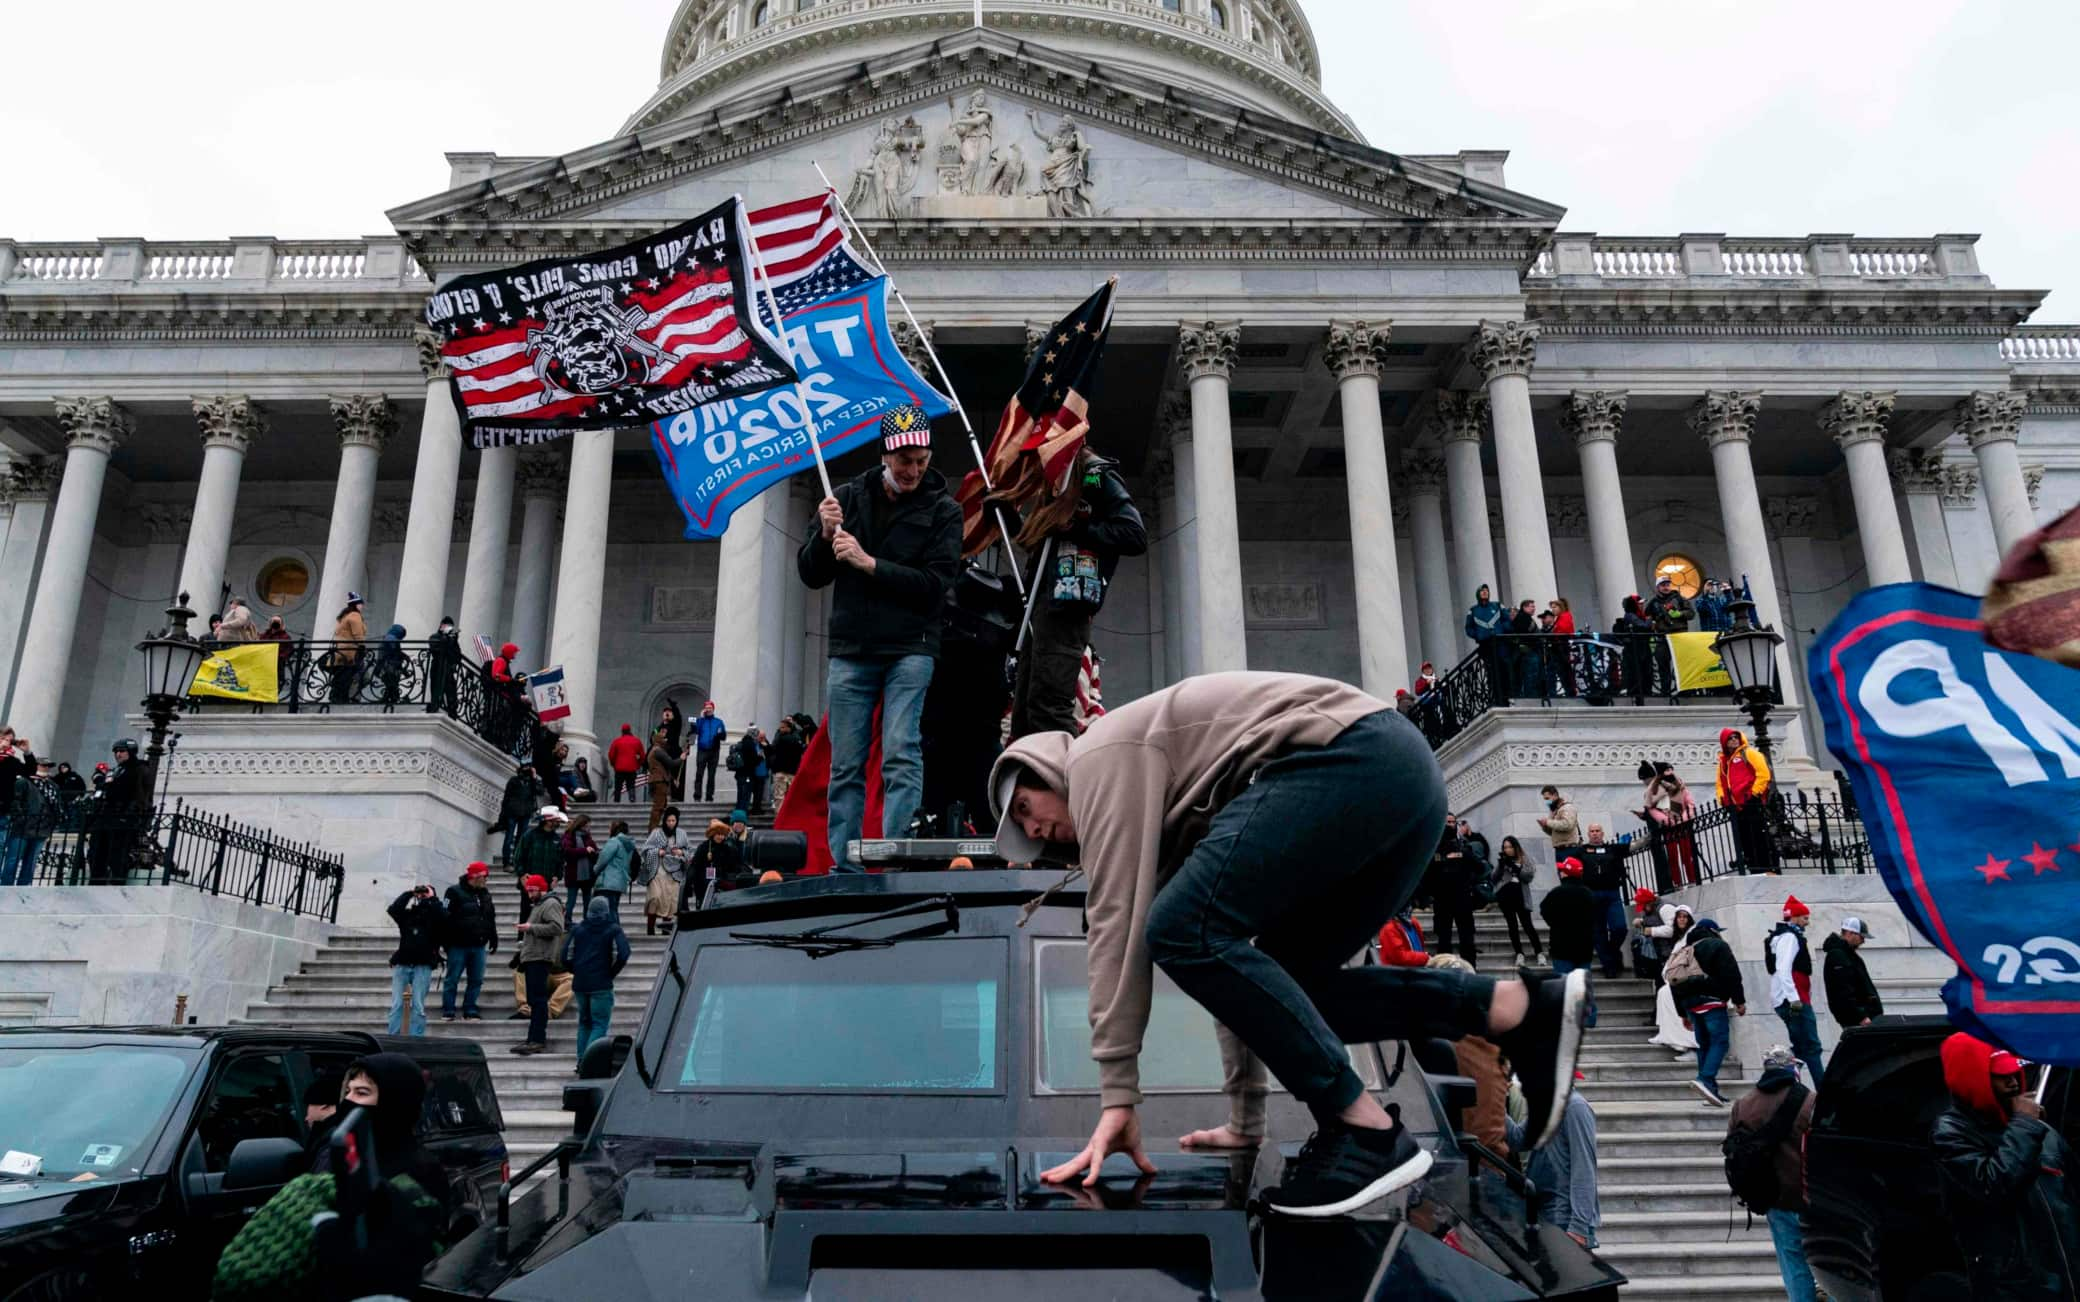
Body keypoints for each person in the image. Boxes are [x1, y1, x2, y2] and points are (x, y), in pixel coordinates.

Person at [990, 672, 1588, 1216]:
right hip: (1400, 781)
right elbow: (1240, 979)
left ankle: (1365, 1130)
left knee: (1177, 929)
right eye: (1026, 834)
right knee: (1288, 982)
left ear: (1048, 770)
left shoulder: (1099, 758)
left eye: (1026, 808)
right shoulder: (1167, 812)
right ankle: (1514, 1008)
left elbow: (1116, 930)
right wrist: (1246, 1121)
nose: (1035, 830)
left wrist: (1117, 1097)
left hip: (1352, 759)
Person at [799, 422, 963, 875]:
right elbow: (811, 574)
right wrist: (823, 535)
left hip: (912, 646)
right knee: (846, 764)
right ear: (886, 456)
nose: (913, 470)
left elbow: (936, 585)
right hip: (853, 648)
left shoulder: (944, 510)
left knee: (900, 749)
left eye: (921, 460)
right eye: (905, 460)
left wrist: (870, 565)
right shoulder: (847, 499)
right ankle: (846, 865)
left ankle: (894, 859)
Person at [213, 1052, 452, 1302]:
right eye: (347, 1091)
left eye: (361, 1093)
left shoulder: (421, 1172)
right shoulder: (336, 1151)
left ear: (395, 1101)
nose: (348, 1100)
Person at [1009, 446, 1148, 738]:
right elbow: (1038, 541)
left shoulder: (1094, 475)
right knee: (1025, 710)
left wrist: (1077, 529)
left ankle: (1062, 781)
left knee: (1049, 708)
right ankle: (1029, 779)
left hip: (1067, 607)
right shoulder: (1055, 483)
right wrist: (1008, 518)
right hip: (1041, 606)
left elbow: (1134, 534)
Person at [1932, 1031, 2080, 1300]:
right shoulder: (1951, 1133)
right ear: (1975, 1079)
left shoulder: (2038, 1131)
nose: (2014, 1084)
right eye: (2002, 1077)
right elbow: (1993, 1184)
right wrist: (2024, 1126)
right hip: (2016, 1286)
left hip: (2063, 1275)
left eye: (2015, 1074)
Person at [1726, 1044, 1817, 1300]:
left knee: (1792, 1261)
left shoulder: (1744, 1105)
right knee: (1825, 1261)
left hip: (1774, 1198)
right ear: (1792, 1068)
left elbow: (1731, 1148)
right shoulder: (1810, 1101)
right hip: (1812, 1196)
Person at [1667, 917, 1745, 1105]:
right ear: (1713, 930)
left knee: (1704, 1045)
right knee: (1720, 1042)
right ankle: (1705, 1079)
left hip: (1691, 1005)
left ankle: (1709, 1091)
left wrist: (1682, 1013)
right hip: (1712, 1001)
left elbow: (1674, 983)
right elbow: (1731, 974)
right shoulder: (1718, 945)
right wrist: (1739, 1001)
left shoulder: (1684, 950)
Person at [1512, 1088, 1600, 1249]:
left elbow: (1584, 1169)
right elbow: (1517, 1139)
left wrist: (1578, 1227)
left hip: (1564, 1219)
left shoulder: (1575, 1106)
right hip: (1543, 1212)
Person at [561, 895, 631, 1066]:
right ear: (606, 911)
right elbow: (623, 954)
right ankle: (589, 1062)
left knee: (584, 1023)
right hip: (601, 984)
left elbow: (564, 956)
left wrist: (576, 970)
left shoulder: (578, 929)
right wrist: (611, 973)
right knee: (599, 1024)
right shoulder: (613, 929)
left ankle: (580, 1060)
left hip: (581, 983)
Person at [1766, 895, 1825, 1081]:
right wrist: (1794, 999)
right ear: (1795, 917)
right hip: (1794, 1000)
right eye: (1805, 918)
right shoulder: (1790, 937)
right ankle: (1823, 1093)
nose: (1807, 922)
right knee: (1811, 1047)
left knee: (1801, 1048)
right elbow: (1784, 968)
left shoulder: (1783, 937)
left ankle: (1781, 1081)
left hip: (1790, 999)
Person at [1540, 857, 1599, 1026]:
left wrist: (1556, 924)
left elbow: (1544, 911)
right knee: (1584, 984)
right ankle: (1589, 1018)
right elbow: (1594, 917)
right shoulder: (1588, 893)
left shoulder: (1556, 893)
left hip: (1561, 945)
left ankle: (1566, 1019)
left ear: (1566, 873)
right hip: (1584, 947)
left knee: (1563, 984)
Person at [511, 875, 565, 1056]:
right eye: (528, 890)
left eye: (532, 890)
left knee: (538, 1000)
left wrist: (530, 928)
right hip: (533, 957)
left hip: (540, 958)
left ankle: (537, 1039)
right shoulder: (540, 905)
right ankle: (532, 1038)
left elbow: (557, 928)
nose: (529, 893)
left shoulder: (550, 904)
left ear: (542, 889)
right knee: (534, 1000)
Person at [439, 862, 497, 1022]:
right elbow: (444, 917)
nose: (486, 880)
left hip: (478, 945)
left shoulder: (485, 893)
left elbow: (490, 917)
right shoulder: (453, 892)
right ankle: (448, 1010)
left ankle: (470, 1009)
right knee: (452, 978)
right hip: (458, 945)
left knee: (476, 979)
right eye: (484, 876)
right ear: (475, 876)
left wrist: (493, 937)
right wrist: (446, 943)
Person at [384, 883, 445, 1036]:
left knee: (418, 1005)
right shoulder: (408, 915)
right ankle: (393, 1037)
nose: (422, 895)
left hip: (423, 965)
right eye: (421, 893)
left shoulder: (435, 915)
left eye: (426, 892)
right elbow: (393, 909)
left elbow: (444, 915)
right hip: (403, 963)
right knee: (396, 1004)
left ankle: (416, 1038)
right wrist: (410, 893)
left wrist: (432, 897)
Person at [1423, 813, 1480, 965]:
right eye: (1446, 822)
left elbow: (1479, 867)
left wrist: (1469, 883)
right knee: (1444, 939)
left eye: (1452, 822)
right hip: (1442, 901)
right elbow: (1426, 875)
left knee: (1467, 938)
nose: (1449, 825)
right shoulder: (1433, 848)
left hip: (1462, 899)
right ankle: (1445, 973)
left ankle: (1470, 970)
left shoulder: (1464, 846)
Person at [1717, 727, 1775, 872]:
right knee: (1745, 840)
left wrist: (1754, 794)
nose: (1734, 740)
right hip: (1736, 806)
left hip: (1750, 802)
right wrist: (1723, 800)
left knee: (1759, 837)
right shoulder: (1724, 762)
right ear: (1724, 742)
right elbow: (1720, 783)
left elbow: (1764, 774)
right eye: (1730, 738)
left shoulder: (1749, 753)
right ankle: (1754, 868)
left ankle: (1767, 868)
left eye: (1736, 737)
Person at [1575, 824, 1629, 978]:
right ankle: (1609, 966)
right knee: (1598, 933)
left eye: (1597, 831)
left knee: (1619, 928)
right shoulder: (1581, 851)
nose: (1595, 834)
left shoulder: (1612, 849)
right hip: (1591, 894)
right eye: (1592, 831)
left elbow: (1628, 852)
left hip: (1612, 893)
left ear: (1602, 833)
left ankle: (1613, 951)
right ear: (1588, 834)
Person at [88, 738, 144, 884]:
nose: (118, 754)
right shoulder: (115, 770)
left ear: (131, 752)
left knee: (117, 855)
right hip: (104, 817)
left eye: (122, 751)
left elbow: (120, 789)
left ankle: (116, 884)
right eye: (116, 752)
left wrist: (102, 781)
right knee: (95, 854)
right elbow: (105, 787)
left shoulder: (137, 768)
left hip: (121, 818)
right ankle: (96, 882)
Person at [1647, 906, 1699, 1054]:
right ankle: (1666, 1034)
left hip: (1687, 982)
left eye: (1685, 916)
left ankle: (1684, 1042)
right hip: (1676, 981)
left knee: (1669, 997)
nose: (1682, 919)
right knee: (1663, 993)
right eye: (1679, 916)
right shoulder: (1681, 936)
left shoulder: (1691, 934)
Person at [1642, 759, 1699, 888]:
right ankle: (1677, 883)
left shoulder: (1680, 786)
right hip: (1668, 827)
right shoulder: (1655, 790)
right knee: (1673, 857)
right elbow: (1651, 808)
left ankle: (1692, 880)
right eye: (1667, 771)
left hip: (1683, 825)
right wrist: (1666, 821)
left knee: (1687, 854)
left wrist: (1684, 817)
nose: (1670, 773)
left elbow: (1689, 802)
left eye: (1671, 770)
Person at [1821, 916, 1883, 1029]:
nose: (1863, 941)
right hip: (1858, 1020)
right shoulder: (1838, 956)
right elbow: (1842, 990)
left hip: (1863, 1017)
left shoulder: (1848, 955)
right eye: (1861, 936)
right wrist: (1860, 1016)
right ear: (1849, 933)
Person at [640, 807, 693, 934]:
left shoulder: (682, 834)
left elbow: (690, 851)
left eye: (673, 820)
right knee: (655, 897)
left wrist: (681, 852)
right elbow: (645, 850)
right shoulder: (656, 833)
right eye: (668, 820)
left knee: (671, 900)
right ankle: (650, 928)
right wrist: (658, 851)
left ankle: (666, 928)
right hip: (658, 869)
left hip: (675, 871)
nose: (670, 823)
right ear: (664, 820)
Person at [1490, 835, 1541, 960]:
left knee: (1527, 925)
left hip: (1521, 895)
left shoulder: (1524, 859)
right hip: (1506, 896)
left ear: (1515, 847)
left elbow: (1528, 876)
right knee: (1512, 926)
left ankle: (1539, 952)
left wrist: (1514, 867)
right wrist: (1501, 865)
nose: (1507, 850)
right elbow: (1494, 878)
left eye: (1510, 847)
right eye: (1505, 847)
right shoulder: (1503, 860)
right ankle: (1519, 953)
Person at [512, 805, 565, 919]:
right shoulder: (530, 835)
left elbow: (560, 861)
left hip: (547, 885)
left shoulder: (556, 839)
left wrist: (557, 876)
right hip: (530, 883)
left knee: (544, 914)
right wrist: (521, 874)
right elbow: (518, 857)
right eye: (555, 820)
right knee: (526, 913)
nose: (557, 822)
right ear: (547, 821)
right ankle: (522, 936)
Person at [1645, 574, 1693, 690]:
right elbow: (1647, 617)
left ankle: (1685, 690)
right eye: (1663, 585)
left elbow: (1691, 613)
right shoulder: (1653, 603)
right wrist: (1651, 624)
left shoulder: (1679, 598)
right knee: (1663, 664)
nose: (1666, 587)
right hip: (1663, 637)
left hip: (1679, 635)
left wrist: (1680, 614)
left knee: (1683, 665)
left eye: (1667, 585)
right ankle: (1665, 691)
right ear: (1658, 587)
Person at [494, 763, 542, 867]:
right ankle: (506, 862)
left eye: (529, 767)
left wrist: (534, 778)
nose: (527, 769)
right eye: (525, 767)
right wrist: (502, 816)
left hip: (526, 813)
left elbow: (540, 791)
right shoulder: (514, 780)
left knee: (521, 839)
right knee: (509, 837)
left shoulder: (533, 782)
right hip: (512, 812)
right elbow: (506, 798)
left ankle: (516, 861)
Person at [1614, 593, 1656, 703]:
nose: (1642, 606)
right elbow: (1643, 627)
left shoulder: (1637, 615)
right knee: (1637, 673)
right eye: (1640, 604)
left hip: (1642, 648)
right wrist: (1649, 620)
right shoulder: (1631, 616)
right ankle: (1638, 695)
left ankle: (1645, 692)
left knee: (1646, 672)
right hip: (1635, 650)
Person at [689, 816, 742, 904]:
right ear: (712, 834)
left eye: (722, 835)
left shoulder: (728, 849)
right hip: (704, 884)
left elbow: (734, 867)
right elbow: (696, 867)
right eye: (718, 834)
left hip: (723, 884)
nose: (720, 837)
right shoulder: (703, 847)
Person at [591, 820, 637, 922]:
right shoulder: (628, 845)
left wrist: (595, 870)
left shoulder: (614, 842)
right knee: (613, 909)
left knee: (609, 911)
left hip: (608, 881)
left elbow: (603, 860)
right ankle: (616, 933)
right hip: (620, 882)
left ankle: (615, 934)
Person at [327, 592, 367, 704]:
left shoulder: (345, 616)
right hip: (350, 652)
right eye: (360, 604)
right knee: (354, 675)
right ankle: (346, 697)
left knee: (341, 675)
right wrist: (362, 646)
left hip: (340, 651)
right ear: (356, 604)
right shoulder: (355, 615)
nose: (362, 606)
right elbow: (358, 634)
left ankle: (338, 696)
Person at [559, 812, 599, 920]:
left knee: (588, 902)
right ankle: (567, 921)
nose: (588, 827)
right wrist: (584, 850)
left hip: (587, 876)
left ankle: (587, 922)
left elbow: (594, 850)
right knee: (571, 901)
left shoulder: (588, 837)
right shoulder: (569, 836)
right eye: (586, 825)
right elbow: (567, 851)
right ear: (581, 824)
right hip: (573, 874)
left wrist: (595, 852)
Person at [690, 701, 725, 801]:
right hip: (702, 750)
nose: (708, 709)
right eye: (707, 708)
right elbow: (695, 731)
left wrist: (719, 735)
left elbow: (724, 736)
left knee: (711, 775)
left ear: (713, 709)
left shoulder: (719, 721)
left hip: (714, 751)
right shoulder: (700, 720)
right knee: (699, 774)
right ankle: (697, 796)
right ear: (704, 709)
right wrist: (700, 718)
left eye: (710, 707)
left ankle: (709, 796)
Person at [768, 716, 804, 807]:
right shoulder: (797, 738)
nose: (780, 729)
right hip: (792, 771)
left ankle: (779, 819)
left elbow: (773, 750)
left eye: (783, 727)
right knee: (792, 797)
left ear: (789, 727)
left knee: (779, 797)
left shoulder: (780, 738)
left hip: (782, 771)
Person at [428, 615, 461, 715]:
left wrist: (454, 641)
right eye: (447, 626)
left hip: (448, 669)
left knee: (451, 691)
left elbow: (457, 655)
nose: (449, 628)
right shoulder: (435, 636)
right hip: (437, 667)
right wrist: (445, 637)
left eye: (450, 626)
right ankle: (434, 707)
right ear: (442, 626)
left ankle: (452, 711)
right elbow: (435, 648)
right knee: (436, 689)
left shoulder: (452, 639)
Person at [1535, 784, 1579, 859]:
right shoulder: (1555, 811)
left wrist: (1548, 822)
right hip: (1560, 849)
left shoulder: (1567, 807)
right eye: (1545, 799)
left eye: (1547, 798)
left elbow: (1567, 824)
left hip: (1570, 849)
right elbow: (1553, 832)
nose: (1546, 802)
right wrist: (1544, 826)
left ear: (1555, 795)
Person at [645, 728, 677, 832]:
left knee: (661, 805)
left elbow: (663, 767)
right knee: (658, 806)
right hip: (659, 781)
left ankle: (654, 828)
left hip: (657, 780)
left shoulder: (654, 750)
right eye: (664, 738)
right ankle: (652, 829)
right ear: (659, 740)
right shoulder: (658, 750)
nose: (666, 740)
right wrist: (681, 758)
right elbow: (671, 763)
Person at [731, 725, 768, 814]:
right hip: (747, 774)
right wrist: (760, 757)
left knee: (740, 797)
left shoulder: (743, 742)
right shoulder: (750, 744)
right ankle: (742, 817)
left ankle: (738, 816)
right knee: (745, 797)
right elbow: (752, 760)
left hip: (740, 774)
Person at [605, 723, 644, 802]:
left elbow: (611, 754)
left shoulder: (617, 741)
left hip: (619, 768)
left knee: (618, 787)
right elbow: (642, 755)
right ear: (630, 731)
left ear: (622, 731)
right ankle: (632, 798)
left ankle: (616, 801)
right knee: (631, 785)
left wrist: (614, 764)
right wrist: (638, 765)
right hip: (631, 768)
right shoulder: (636, 741)